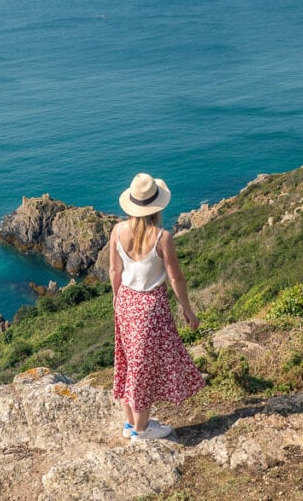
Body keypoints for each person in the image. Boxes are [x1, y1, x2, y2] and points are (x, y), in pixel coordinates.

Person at [110, 172, 205, 442]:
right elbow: (175, 277)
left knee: (130, 362)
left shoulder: (117, 231)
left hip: (125, 302)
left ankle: (130, 424)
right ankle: (141, 430)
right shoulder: (162, 236)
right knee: (144, 367)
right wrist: (187, 309)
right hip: (151, 307)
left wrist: (116, 301)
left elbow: (114, 271)